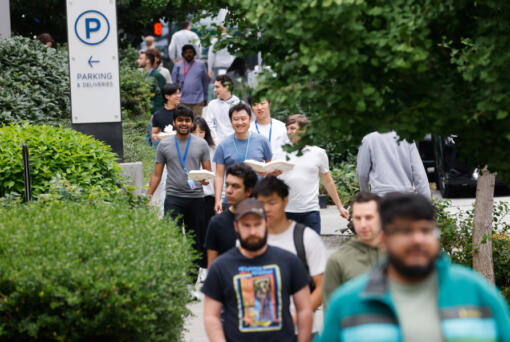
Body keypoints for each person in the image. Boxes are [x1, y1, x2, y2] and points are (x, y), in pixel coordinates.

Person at [319, 192, 510, 342]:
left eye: (425, 230)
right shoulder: (347, 303)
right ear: (384, 239)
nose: (417, 239)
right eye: (405, 231)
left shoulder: (477, 293)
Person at [202, 198, 313, 342]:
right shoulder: (220, 267)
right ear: (236, 227)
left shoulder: (289, 261)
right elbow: (211, 315)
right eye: (246, 225)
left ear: (266, 223)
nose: (252, 231)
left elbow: (304, 309)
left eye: (257, 224)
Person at [254, 176, 327, 333]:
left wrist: (296, 318)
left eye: (272, 202)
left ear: (285, 201)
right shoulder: (250, 241)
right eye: (261, 203)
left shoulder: (306, 238)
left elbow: (322, 287)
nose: (266, 209)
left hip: (300, 331)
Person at [146, 105, 211, 268]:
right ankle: (173, 273)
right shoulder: (164, 145)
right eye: (180, 120)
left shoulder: (201, 144)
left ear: (191, 123)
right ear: (174, 122)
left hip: (195, 198)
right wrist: (148, 196)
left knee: (195, 241)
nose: (184, 123)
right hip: (173, 198)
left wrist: (204, 179)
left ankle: (191, 280)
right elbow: (156, 174)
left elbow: (208, 172)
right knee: (171, 238)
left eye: (187, 121)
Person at [280, 114, 349, 235]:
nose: (289, 132)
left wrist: (340, 206)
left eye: (292, 128)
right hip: (286, 212)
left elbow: (328, 181)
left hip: (310, 213)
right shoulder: (280, 152)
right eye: (287, 129)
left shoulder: (318, 153)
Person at [322, 191, 383, 307]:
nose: (363, 224)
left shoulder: (398, 256)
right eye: (358, 218)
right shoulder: (338, 260)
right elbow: (331, 311)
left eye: (369, 217)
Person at [213, 103, 272, 214]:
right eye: (236, 119)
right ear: (231, 121)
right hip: (231, 201)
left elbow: (270, 168)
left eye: (243, 119)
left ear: (250, 119)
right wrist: (218, 200)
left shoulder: (262, 141)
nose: (240, 122)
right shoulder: (223, 145)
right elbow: (219, 176)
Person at [204, 162, 258, 267]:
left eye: (235, 186)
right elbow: (212, 268)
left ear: (249, 191)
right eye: (227, 185)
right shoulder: (216, 223)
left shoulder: (261, 221)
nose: (228, 191)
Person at [357, 131, 431, 198]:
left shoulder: (368, 139)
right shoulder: (407, 140)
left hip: (381, 196)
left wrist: (366, 195)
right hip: (405, 197)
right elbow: (419, 175)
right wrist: (427, 203)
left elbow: (362, 173)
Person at [191, 117, 217, 234]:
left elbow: (217, 174)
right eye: (194, 132)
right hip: (192, 196)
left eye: (201, 132)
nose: (197, 135)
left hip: (209, 196)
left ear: (206, 133)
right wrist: (192, 186)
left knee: (208, 230)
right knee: (194, 231)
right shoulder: (185, 150)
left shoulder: (213, 150)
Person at [172, 44, 208, 117]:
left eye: (190, 52)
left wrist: (205, 98)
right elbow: (174, 84)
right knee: (184, 121)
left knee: (196, 122)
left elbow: (205, 82)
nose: (188, 54)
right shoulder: (177, 66)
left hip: (198, 100)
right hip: (182, 101)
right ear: (182, 54)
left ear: (194, 53)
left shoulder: (201, 65)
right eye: (186, 52)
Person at [204, 74, 241, 143]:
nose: (214, 90)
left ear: (227, 87)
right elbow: (209, 124)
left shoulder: (238, 104)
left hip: (236, 142)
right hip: (218, 144)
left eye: (217, 87)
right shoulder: (212, 104)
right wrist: (215, 139)